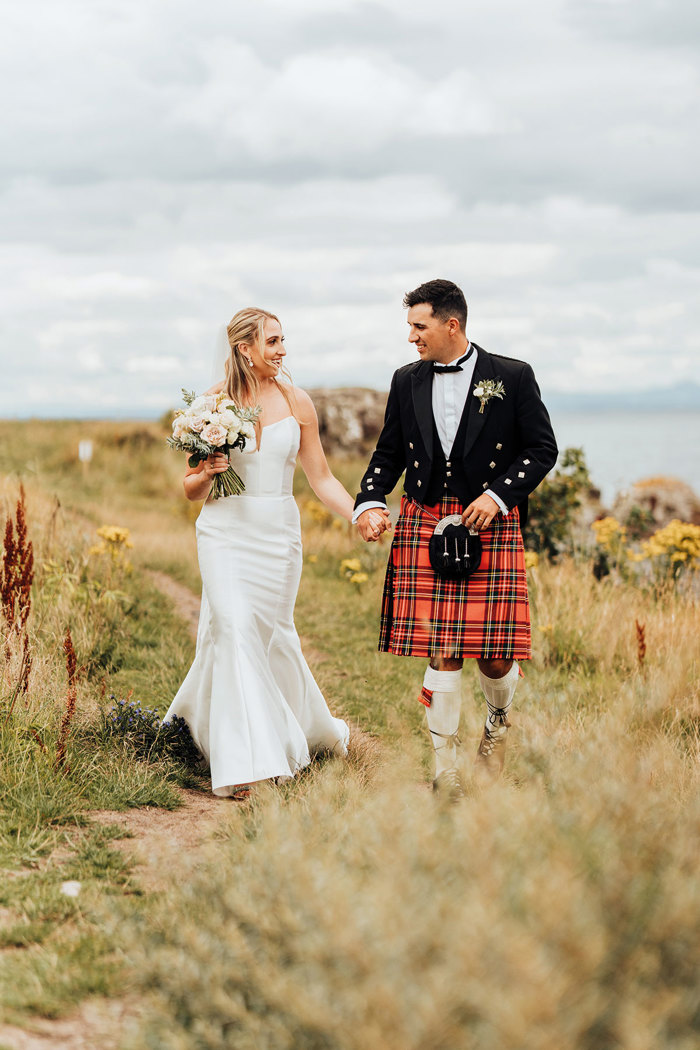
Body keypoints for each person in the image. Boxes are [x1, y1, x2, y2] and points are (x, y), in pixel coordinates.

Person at [354, 279, 557, 795]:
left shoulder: (511, 375)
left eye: (418, 327)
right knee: (442, 648)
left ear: (452, 324)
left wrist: (497, 496)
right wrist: (371, 502)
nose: (411, 338)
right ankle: (445, 769)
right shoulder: (406, 380)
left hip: (487, 519)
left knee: (493, 651)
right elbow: (389, 452)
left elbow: (541, 449)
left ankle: (498, 720)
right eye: (409, 328)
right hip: (427, 518)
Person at [165, 307, 376, 798]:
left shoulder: (297, 401)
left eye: (283, 341)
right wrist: (207, 471)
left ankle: (296, 727)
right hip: (224, 532)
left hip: (278, 536)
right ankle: (247, 765)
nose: (283, 350)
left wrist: (359, 513)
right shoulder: (210, 404)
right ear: (245, 348)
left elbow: (320, 478)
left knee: (271, 635)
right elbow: (191, 489)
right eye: (274, 341)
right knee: (235, 627)